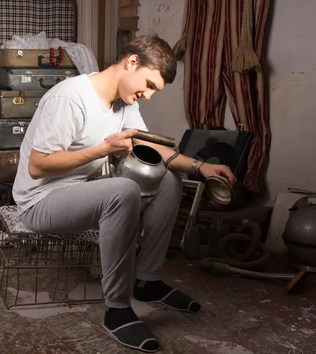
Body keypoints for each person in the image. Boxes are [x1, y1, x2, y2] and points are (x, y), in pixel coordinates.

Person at [12, 34, 236, 353]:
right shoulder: (70, 98)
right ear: (131, 62)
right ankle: (116, 310)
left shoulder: (122, 101)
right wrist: (102, 149)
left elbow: (149, 145)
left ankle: (149, 282)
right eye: (147, 84)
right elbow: (38, 166)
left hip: (83, 191)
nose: (146, 95)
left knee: (168, 179)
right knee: (123, 189)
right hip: (40, 201)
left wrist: (201, 167)